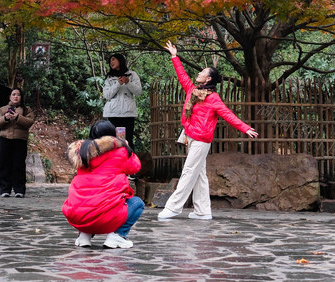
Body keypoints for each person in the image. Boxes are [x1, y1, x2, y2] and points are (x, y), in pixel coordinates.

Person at [157, 41, 258, 221]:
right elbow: (183, 77)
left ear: (208, 79)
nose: (199, 73)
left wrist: (245, 128)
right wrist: (174, 56)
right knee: (199, 174)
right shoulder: (193, 91)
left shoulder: (213, 98)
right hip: (190, 136)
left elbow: (228, 114)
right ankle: (203, 211)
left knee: (188, 171)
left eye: (202, 73)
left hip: (202, 139)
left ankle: (173, 208)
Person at [63, 120, 144, 249]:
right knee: (138, 203)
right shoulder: (120, 151)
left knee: (86, 199)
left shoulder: (82, 153)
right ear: (113, 135)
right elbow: (135, 167)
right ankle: (117, 236)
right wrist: (127, 148)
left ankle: (84, 235)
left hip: (78, 217)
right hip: (105, 218)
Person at [0, 87, 36, 197]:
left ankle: (19, 190)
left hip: (20, 140)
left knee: (19, 165)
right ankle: (5, 189)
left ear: (21, 97)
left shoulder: (26, 109)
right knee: (4, 164)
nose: (16, 96)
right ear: (10, 97)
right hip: (5, 140)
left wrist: (18, 117)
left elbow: (29, 122)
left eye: (18, 94)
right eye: (13, 94)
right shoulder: (2, 109)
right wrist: (6, 118)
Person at [103, 54, 143, 151]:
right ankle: (115, 163)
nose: (111, 62)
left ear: (120, 60)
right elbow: (106, 95)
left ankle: (129, 163)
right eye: (110, 61)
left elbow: (138, 92)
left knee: (127, 141)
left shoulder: (132, 75)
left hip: (127, 114)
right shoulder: (109, 77)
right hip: (113, 114)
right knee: (113, 142)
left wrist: (128, 82)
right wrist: (118, 83)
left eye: (113, 59)